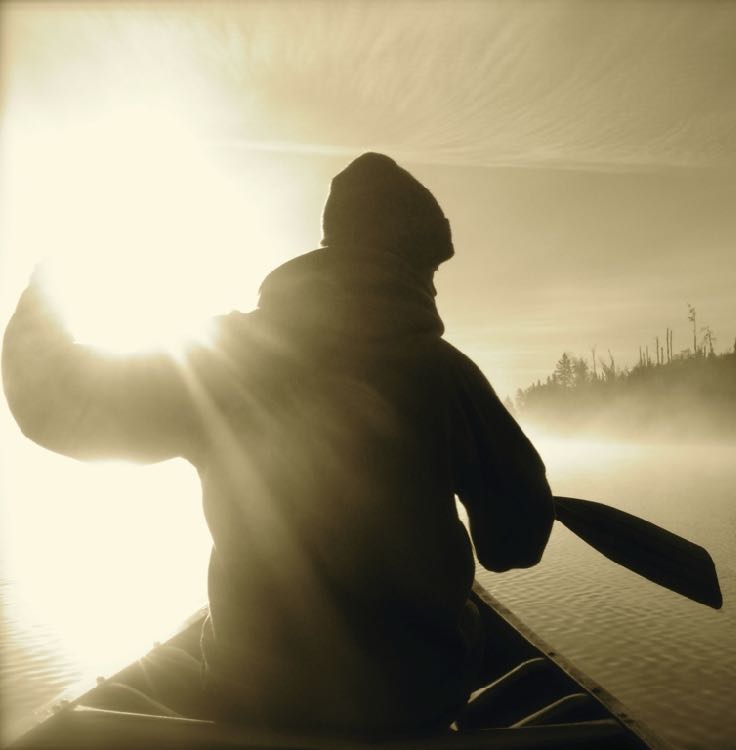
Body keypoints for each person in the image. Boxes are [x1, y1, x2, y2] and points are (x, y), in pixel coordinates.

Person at [2, 152, 554, 734]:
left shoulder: (219, 359)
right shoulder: (448, 376)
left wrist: (46, 287)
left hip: (258, 697)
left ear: (332, 243)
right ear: (414, 264)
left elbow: (52, 407)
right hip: (410, 703)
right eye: (432, 269)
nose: (434, 285)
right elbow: (514, 543)